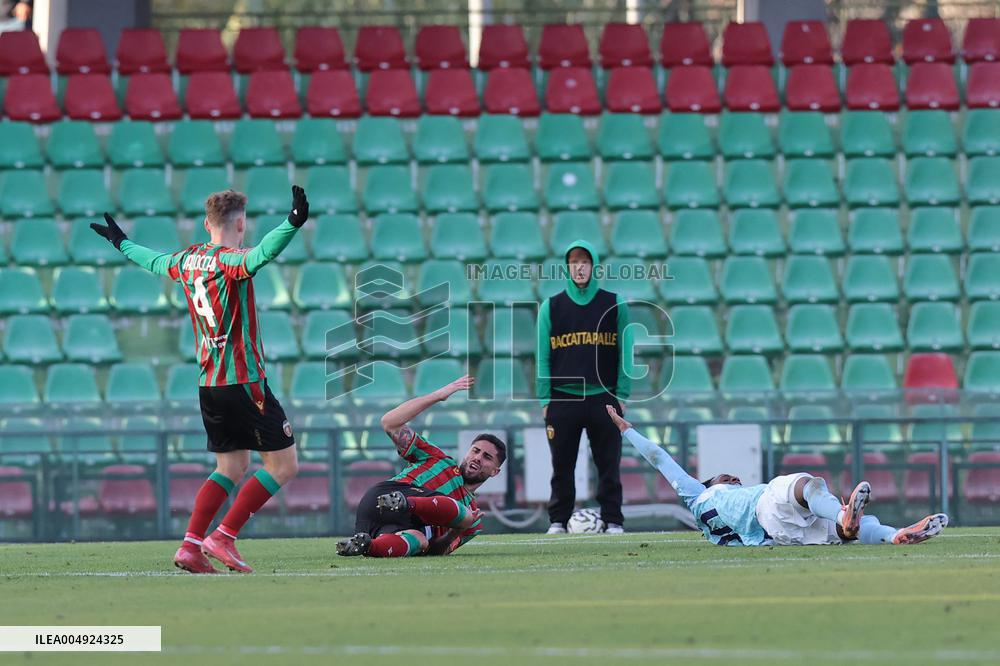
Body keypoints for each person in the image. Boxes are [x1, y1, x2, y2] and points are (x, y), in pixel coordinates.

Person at [90, 187, 310, 573]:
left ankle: (191, 546)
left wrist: (122, 243)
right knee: (284, 466)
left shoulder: (189, 259)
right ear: (241, 223)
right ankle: (223, 536)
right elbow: (263, 254)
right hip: (244, 381)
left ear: (206, 224)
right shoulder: (232, 261)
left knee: (231, 467)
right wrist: (292, 222)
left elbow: (155, 262)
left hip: (209, 384)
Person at [605, 405, 949, 546]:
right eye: (727, 477)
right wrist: (627, 430)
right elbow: (660, 458)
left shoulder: (706, 519)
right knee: (805, 484)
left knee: (848, 530)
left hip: (775, 534)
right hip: (764, 509)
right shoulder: (698, 493)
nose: (734, 477)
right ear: (710, 482)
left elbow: (660, 460)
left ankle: (895, 535)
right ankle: (845, 515)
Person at [337, 375, 506, 557]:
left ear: (495, 471)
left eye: (487, 457)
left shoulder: (475, 519)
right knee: (464, 515)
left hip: (393, 527)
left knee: (420, 540)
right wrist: (438, 395)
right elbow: (389, 422)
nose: (478, 458)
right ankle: (404, 502)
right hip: (383, 498)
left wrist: (458, 530)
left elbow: (435, 551)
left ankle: (367, 546)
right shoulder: (438, 458)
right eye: (475, 450)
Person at [536, 240, 634, 535]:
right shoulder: (551, 306)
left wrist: (623, 394)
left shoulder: (615, 304)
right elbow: (542, 356)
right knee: (561, 467)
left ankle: (613, 519)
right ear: (567, 267)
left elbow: (625, 353)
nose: (579, 267)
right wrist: (544, 398)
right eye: (574, 262)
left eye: (585, 261)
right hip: (563, 400)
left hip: (603, 398)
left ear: (593, 266)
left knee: (609, 465)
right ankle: (558, 520)